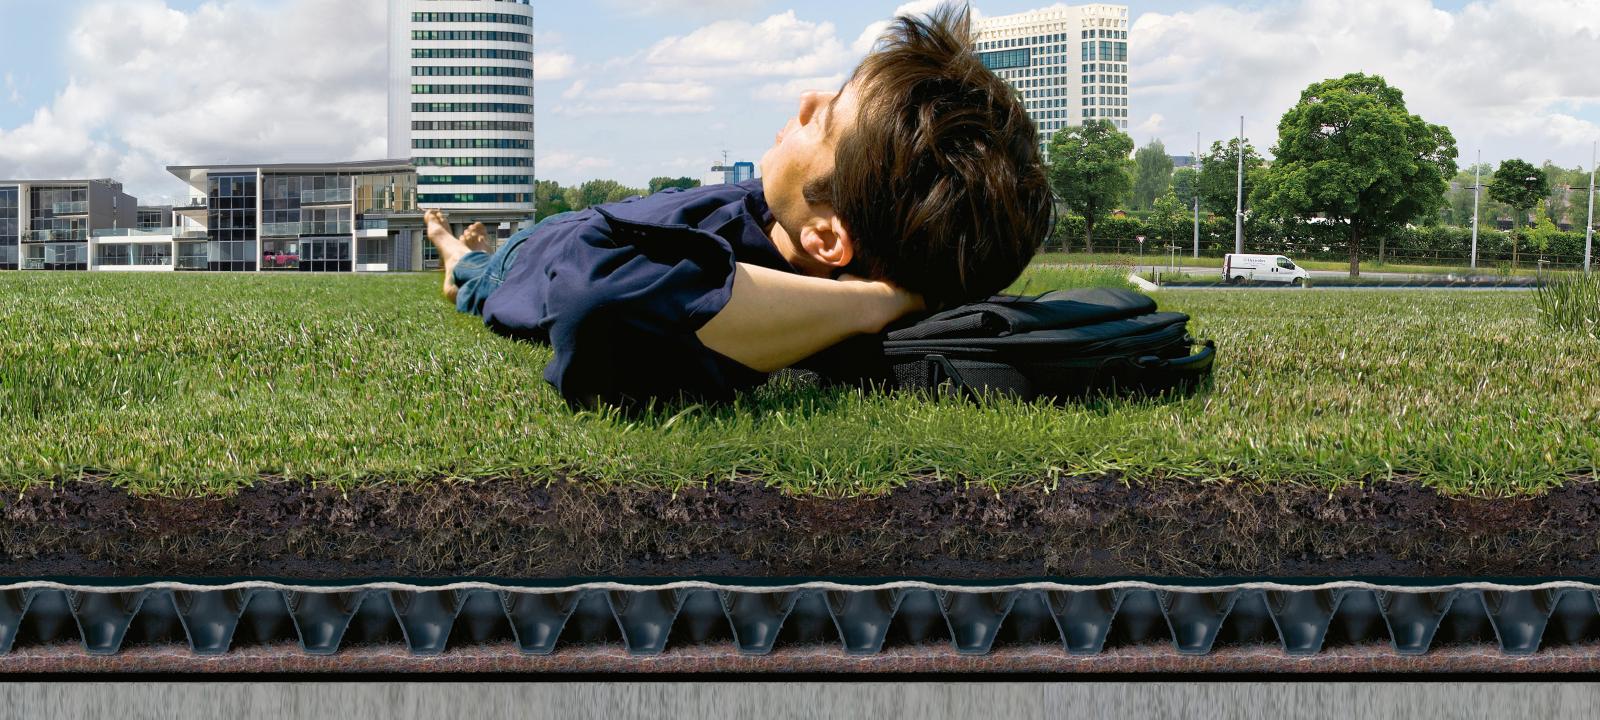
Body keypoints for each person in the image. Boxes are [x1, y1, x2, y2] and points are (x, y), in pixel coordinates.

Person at [426, 3, 1052, 409]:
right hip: (588, 223)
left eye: (824, 121)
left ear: (829, 240)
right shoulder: (792, 217)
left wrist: (881, 301)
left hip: (532, 262)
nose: (806, 100)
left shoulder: (780, 295)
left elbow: (600, 304)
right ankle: (466, 246)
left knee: (476, 279)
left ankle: (456, 253)